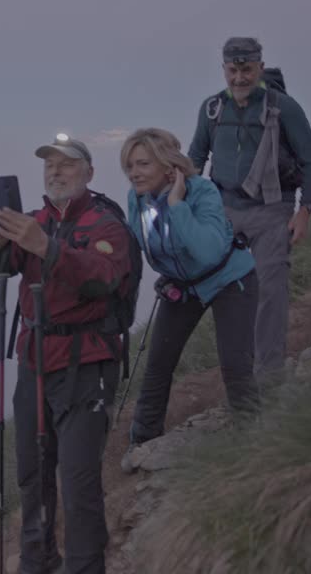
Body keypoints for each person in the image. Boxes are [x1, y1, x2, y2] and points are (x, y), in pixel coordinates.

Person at [0, 134, 134, 574]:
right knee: (32, 475)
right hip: (35, 364)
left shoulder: (106, 224)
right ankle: (36, 563)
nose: (55, 172)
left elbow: (104, 278)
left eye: (66, 164)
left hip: (87, 364)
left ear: (89, 173)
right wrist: (1, 240)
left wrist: (45, 246)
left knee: (78, 480)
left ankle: (85, 567)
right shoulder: (34, 219)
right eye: (50, 165)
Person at [187, 36, 311, 382]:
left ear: (260, 68)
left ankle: (269, 377)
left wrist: (305, 210)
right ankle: (234, 368)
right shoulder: (212, 109)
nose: (239, 78)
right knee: (206, 283)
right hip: (224, 208)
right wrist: (185, 203)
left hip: (272, 209)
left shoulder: (284, 108)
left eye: (246, 70)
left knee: (269, 291)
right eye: (232, 70)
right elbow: (197, 158)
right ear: (223, 69)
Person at [120, 128, 260, 448]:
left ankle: (254, 437)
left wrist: (177, 205)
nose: (133, 173)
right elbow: (135, 246)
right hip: (184, 286)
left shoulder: (202, 192)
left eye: (142, 164)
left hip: (229, 279)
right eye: (129, 166)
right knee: (158, 362)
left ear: (168, 167)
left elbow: (208, 251)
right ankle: (143, 441)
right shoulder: (136, 199)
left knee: (235, 363)